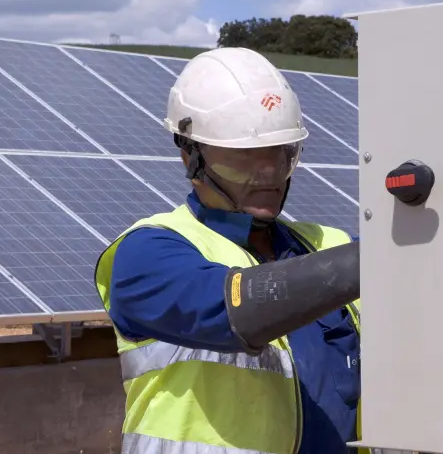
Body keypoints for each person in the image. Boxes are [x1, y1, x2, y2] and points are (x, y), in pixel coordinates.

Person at [94, 47, 364, 454]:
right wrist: (383, 259)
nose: (269, 173)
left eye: (281, 154)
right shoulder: (146, 255)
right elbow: (235, 309)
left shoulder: (330, 245)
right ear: (190, 156)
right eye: (244, 157)